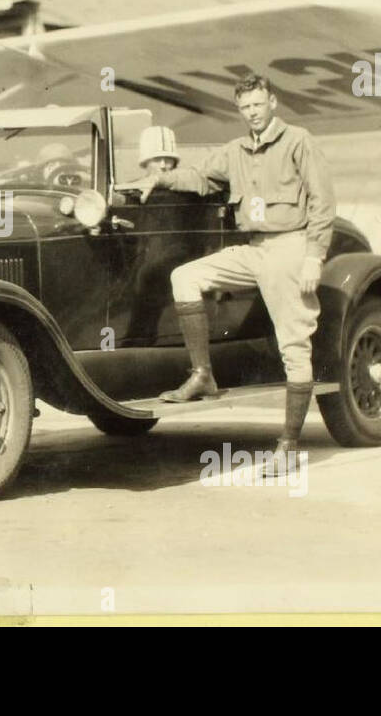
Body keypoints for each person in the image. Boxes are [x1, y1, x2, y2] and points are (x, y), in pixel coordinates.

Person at [134, 73, 335, 476]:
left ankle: (289, 446)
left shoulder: (298, 141)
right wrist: (160, 177)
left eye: (258, 105)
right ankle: (202, 375)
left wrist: (314, 256)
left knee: (293, 345)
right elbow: (201, 178)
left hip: (290, 245)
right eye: (245, 108)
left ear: (272, 103)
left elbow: (322, 201)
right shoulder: (236, 149)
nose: (252, 114)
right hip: (254, 247)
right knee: (185, 277)